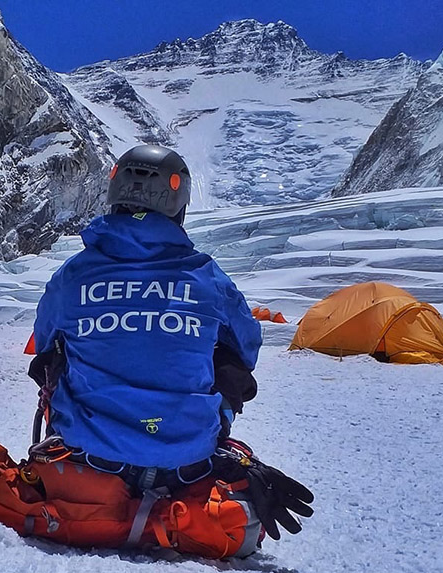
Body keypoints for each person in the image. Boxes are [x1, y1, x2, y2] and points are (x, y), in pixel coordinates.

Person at [29, 145, 312, 541]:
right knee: (228, 359)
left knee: (55, 358)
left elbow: (43, 342)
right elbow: (246, 346)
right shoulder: (206, 278)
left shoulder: (73, 276)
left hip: (87, 452)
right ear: (179, 203)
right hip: (189, 460)